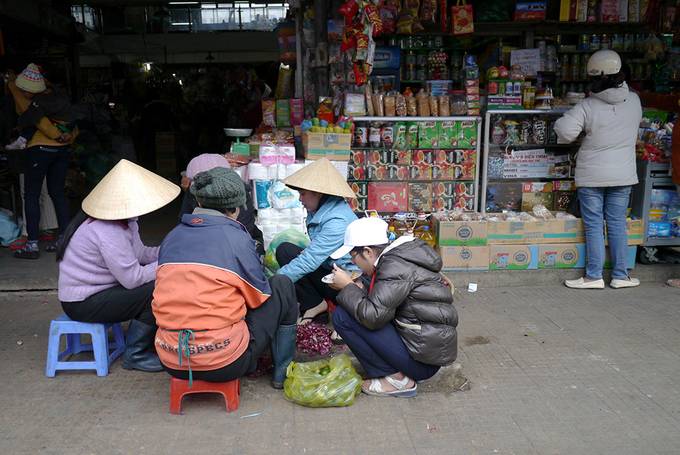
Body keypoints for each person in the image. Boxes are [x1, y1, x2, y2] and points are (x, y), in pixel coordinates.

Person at [152, 167, 298, 388]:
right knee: (282, 285)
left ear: (198, 203)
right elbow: (258, 297)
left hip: (171, 359)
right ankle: (282, 373)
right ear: (237, 208)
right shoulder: (237, 239)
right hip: (225, 362)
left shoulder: (171, 237)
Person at [57, 159, 180, 372]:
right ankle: (136, 354)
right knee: (157, 289)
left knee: (160, 280)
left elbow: (140, 253)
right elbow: (132, 279)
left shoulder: (126, 221)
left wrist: (172, 249)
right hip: (83, 303)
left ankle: (145, 343)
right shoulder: (107, 230)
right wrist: (168, 264)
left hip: (100, 292)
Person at [328, 217, 457, 398]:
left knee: (343, 316)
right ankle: (395, 372)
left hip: (423, 364)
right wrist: (358, 286)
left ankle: (397, 380)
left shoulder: (394, 267)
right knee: (351, 309)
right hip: (424, 353)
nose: (353, 262)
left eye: (353, 256)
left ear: (367, 252)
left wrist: (348, 286)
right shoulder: (398, 260)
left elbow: (373, 317)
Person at [555, 50, 642, 290]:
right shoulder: (634, 100)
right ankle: (620, 275)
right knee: (616, 223)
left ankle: (593, 276)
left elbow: (565, 131)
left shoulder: (587, 105)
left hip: (592, 175)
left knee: (593, 224)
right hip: (623, 174)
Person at [275, 158, 358, 322]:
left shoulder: (337, 221)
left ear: (318, 193)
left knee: (298, 265)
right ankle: (315, 304)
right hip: (329, 268)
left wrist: (272, 285)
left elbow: (309, 261)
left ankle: (344, 314)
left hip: (348, 282)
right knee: (285, 250)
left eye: (303, 194)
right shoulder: (321, 209)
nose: (300, 199)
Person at [7, 64, 76, 259]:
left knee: (31, 195)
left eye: (26, 91)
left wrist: (11, 83)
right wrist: (66, 136)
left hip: (40, 150)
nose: (25, 94)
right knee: (58, 193)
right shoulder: (60, 97)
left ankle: (32, 245)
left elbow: (38, 122)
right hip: (62, 151)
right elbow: (72, 122)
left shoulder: (38, 102)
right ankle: (64, 240)